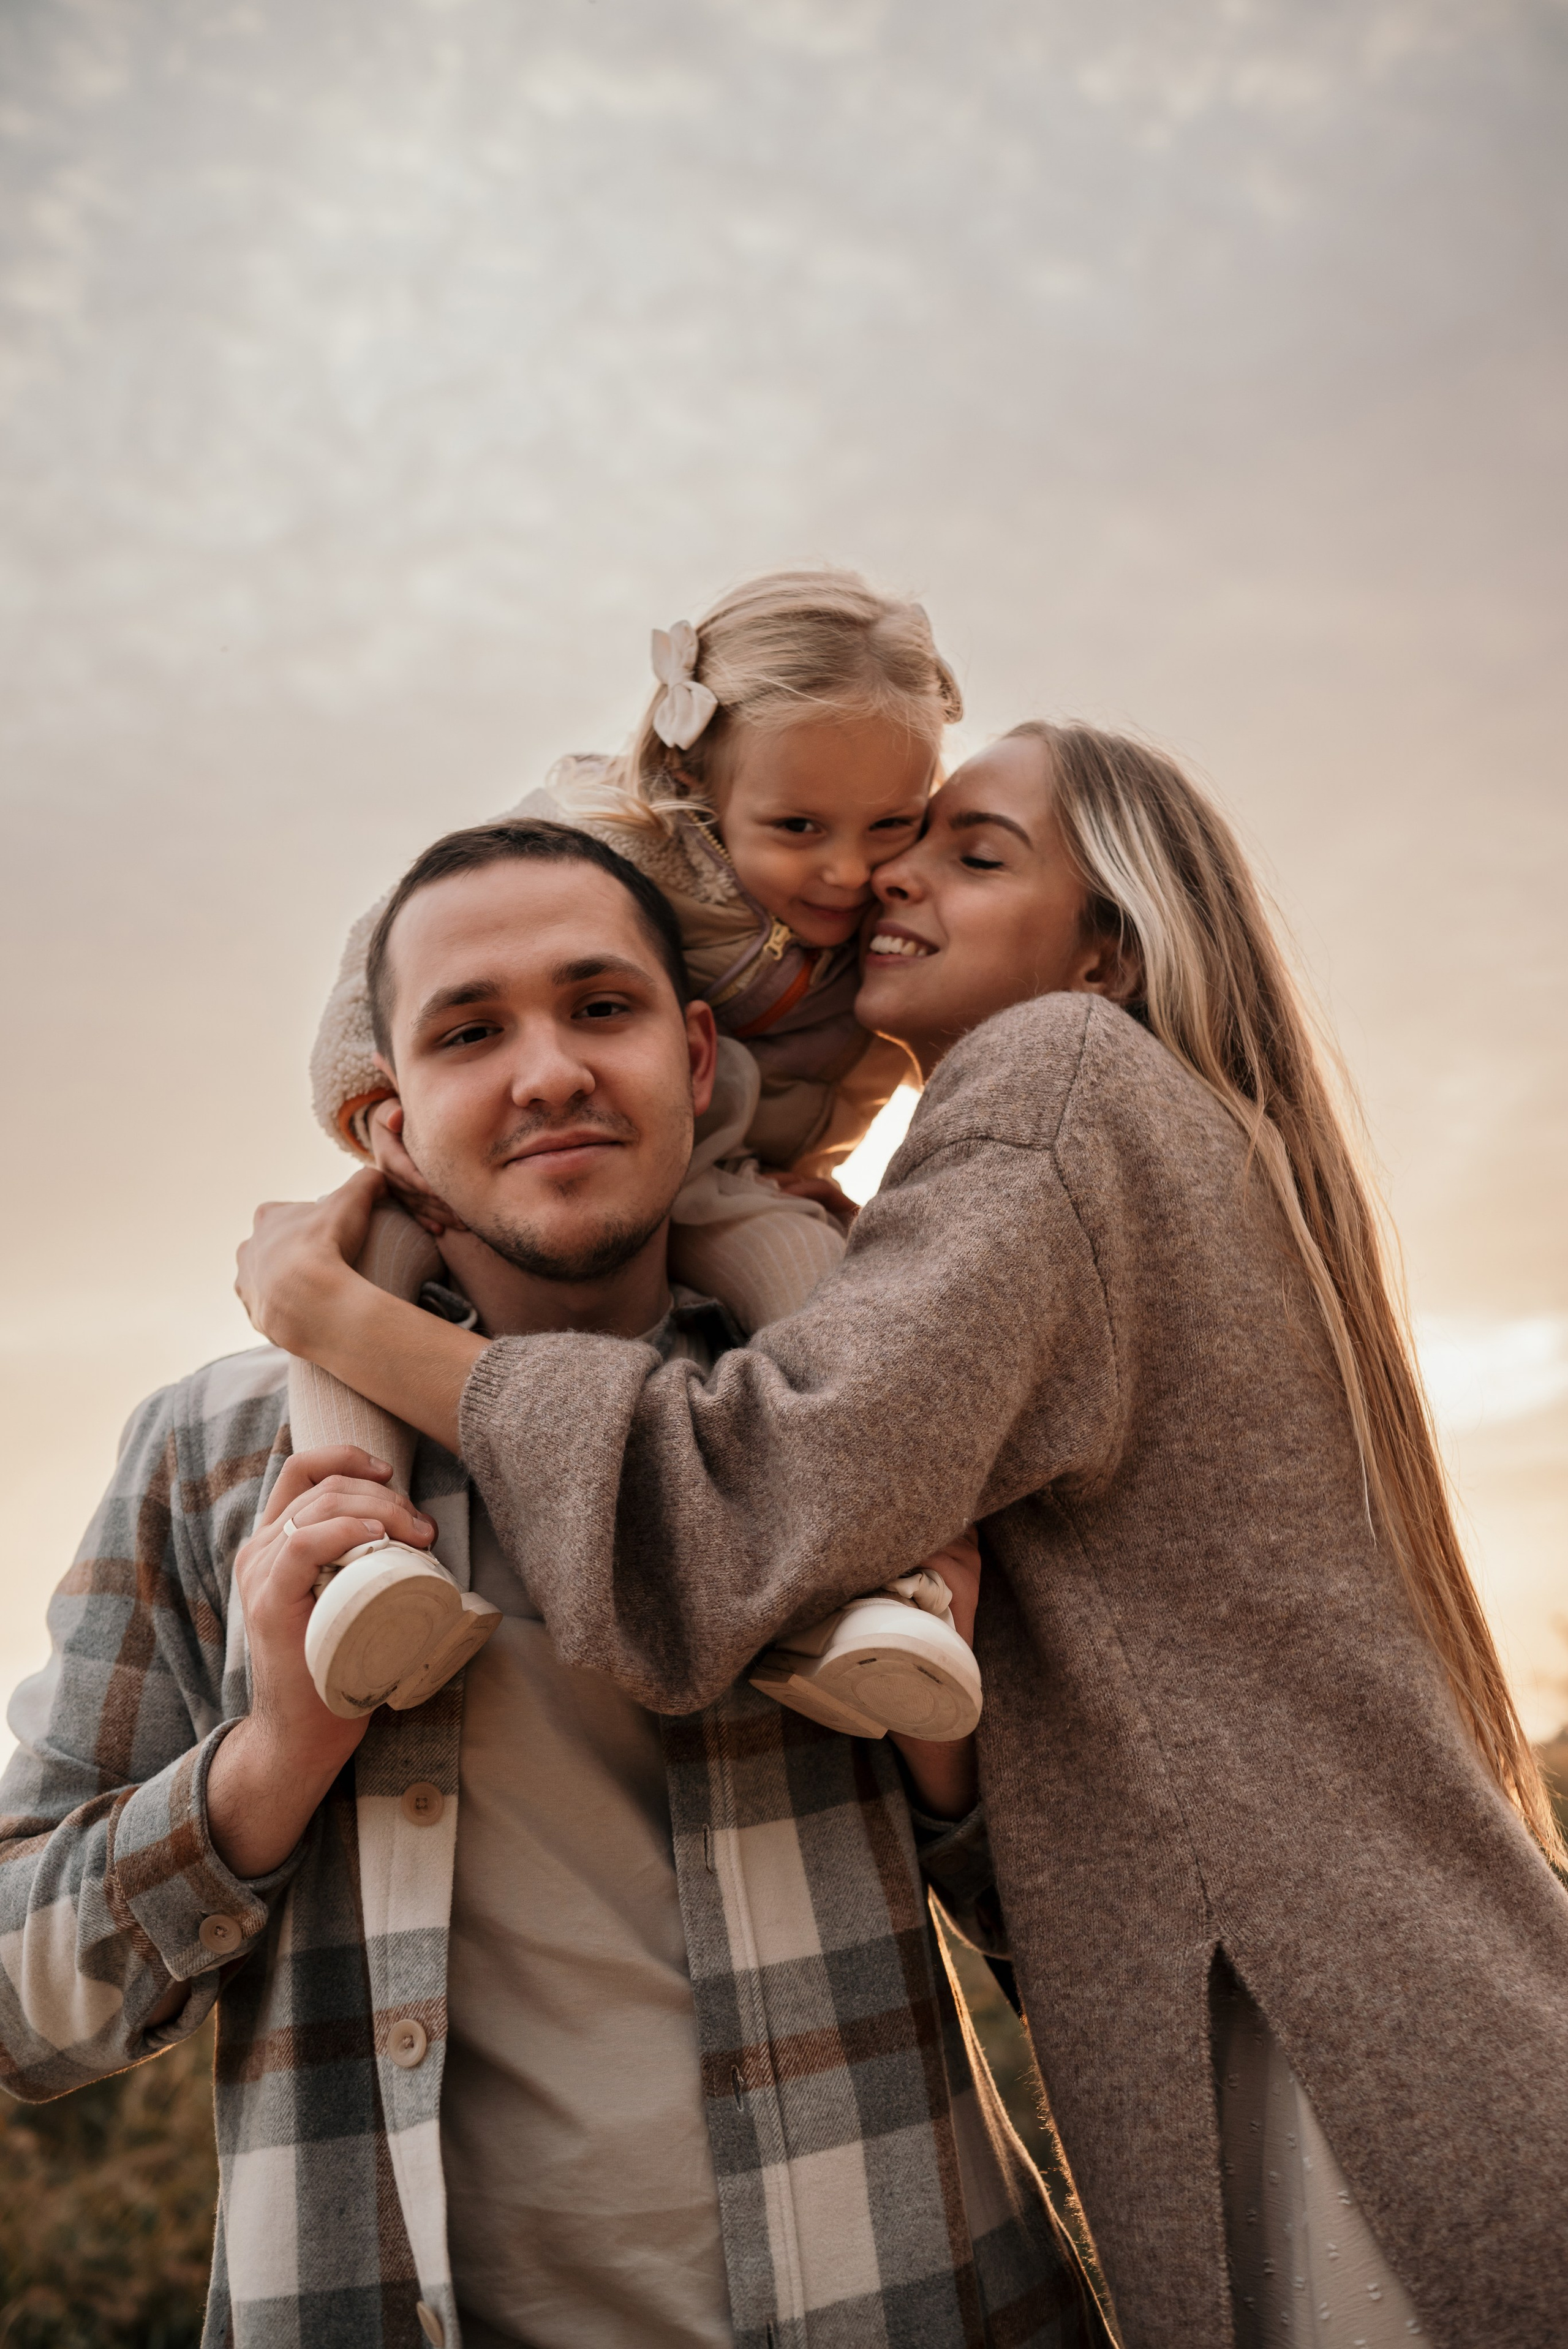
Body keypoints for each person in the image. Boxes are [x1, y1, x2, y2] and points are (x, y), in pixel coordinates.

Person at [243, 724, 1568, 2349]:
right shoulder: (1158, 1132)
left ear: (1108, 947)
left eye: (974, 852)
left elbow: (749, 1504)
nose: (892, 876)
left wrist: (332, 1313)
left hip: (1324, 2050)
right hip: (1379, 2009)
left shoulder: (1058, 1079)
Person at [0, 818, 1106, 2349]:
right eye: (469, 1031)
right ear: (385, 1125)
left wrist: (943, 1759)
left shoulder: (853, 1423)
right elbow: (16, 2009)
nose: (547, 1073)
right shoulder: (219, 1458)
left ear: (700, 1056)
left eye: (600, 1006)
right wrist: (268, 1763)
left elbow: (1098, 1938)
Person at [296, 567, 981, 1739]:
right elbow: (394, 974)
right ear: (691, 779)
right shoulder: (600, 846)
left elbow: (879, 1061)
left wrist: (822, 1161)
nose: (843, 869)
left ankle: (890, 1596)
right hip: (478, 1164)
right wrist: (383, 1122)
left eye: (890, 825)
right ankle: (358, 1553)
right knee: (355, 1271)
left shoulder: (879, 924)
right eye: (799, 828)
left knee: (835, 1308)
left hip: (715, 1177)